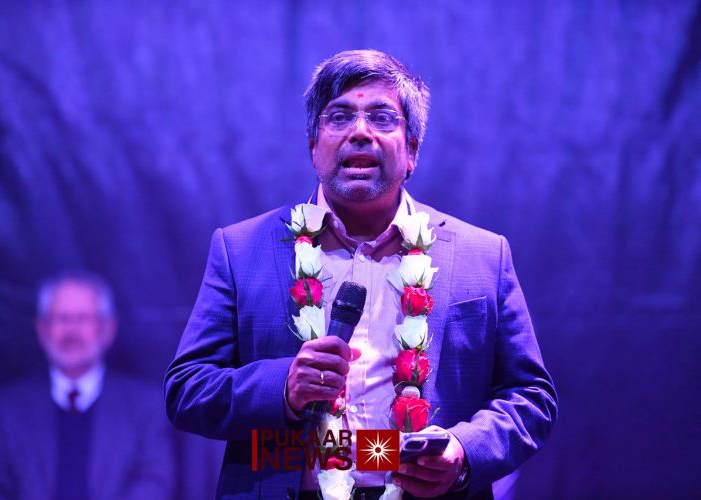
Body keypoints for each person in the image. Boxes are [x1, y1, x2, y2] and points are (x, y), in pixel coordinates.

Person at [164, 49, 557, 499]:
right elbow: (187, 389)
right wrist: (284, 387)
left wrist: (465, 452)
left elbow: (532, 397)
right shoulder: (241, 249)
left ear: (412, 151)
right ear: (313, 146)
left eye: (382, 118)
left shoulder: (482, 255)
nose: (360, 132)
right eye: (339, 117)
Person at [0, 271, 175, 500]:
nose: (72, 330)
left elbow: (154, 484)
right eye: (61, 318)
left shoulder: (145, 406)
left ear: (107, 329)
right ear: (42, 329)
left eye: (83, 318)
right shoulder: (6, 409)